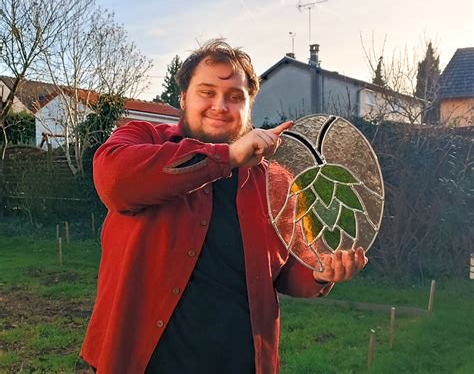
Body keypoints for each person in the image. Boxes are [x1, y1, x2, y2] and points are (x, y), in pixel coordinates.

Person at [80, 39, 367, 374]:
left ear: (249, 107)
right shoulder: (143, 140)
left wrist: (320, 273)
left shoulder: (277, 183)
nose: (220, 106)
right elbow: (115, 181)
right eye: (207, 92)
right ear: (184, 98)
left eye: (235, 97)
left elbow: (291, 269)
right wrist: (227, 157)